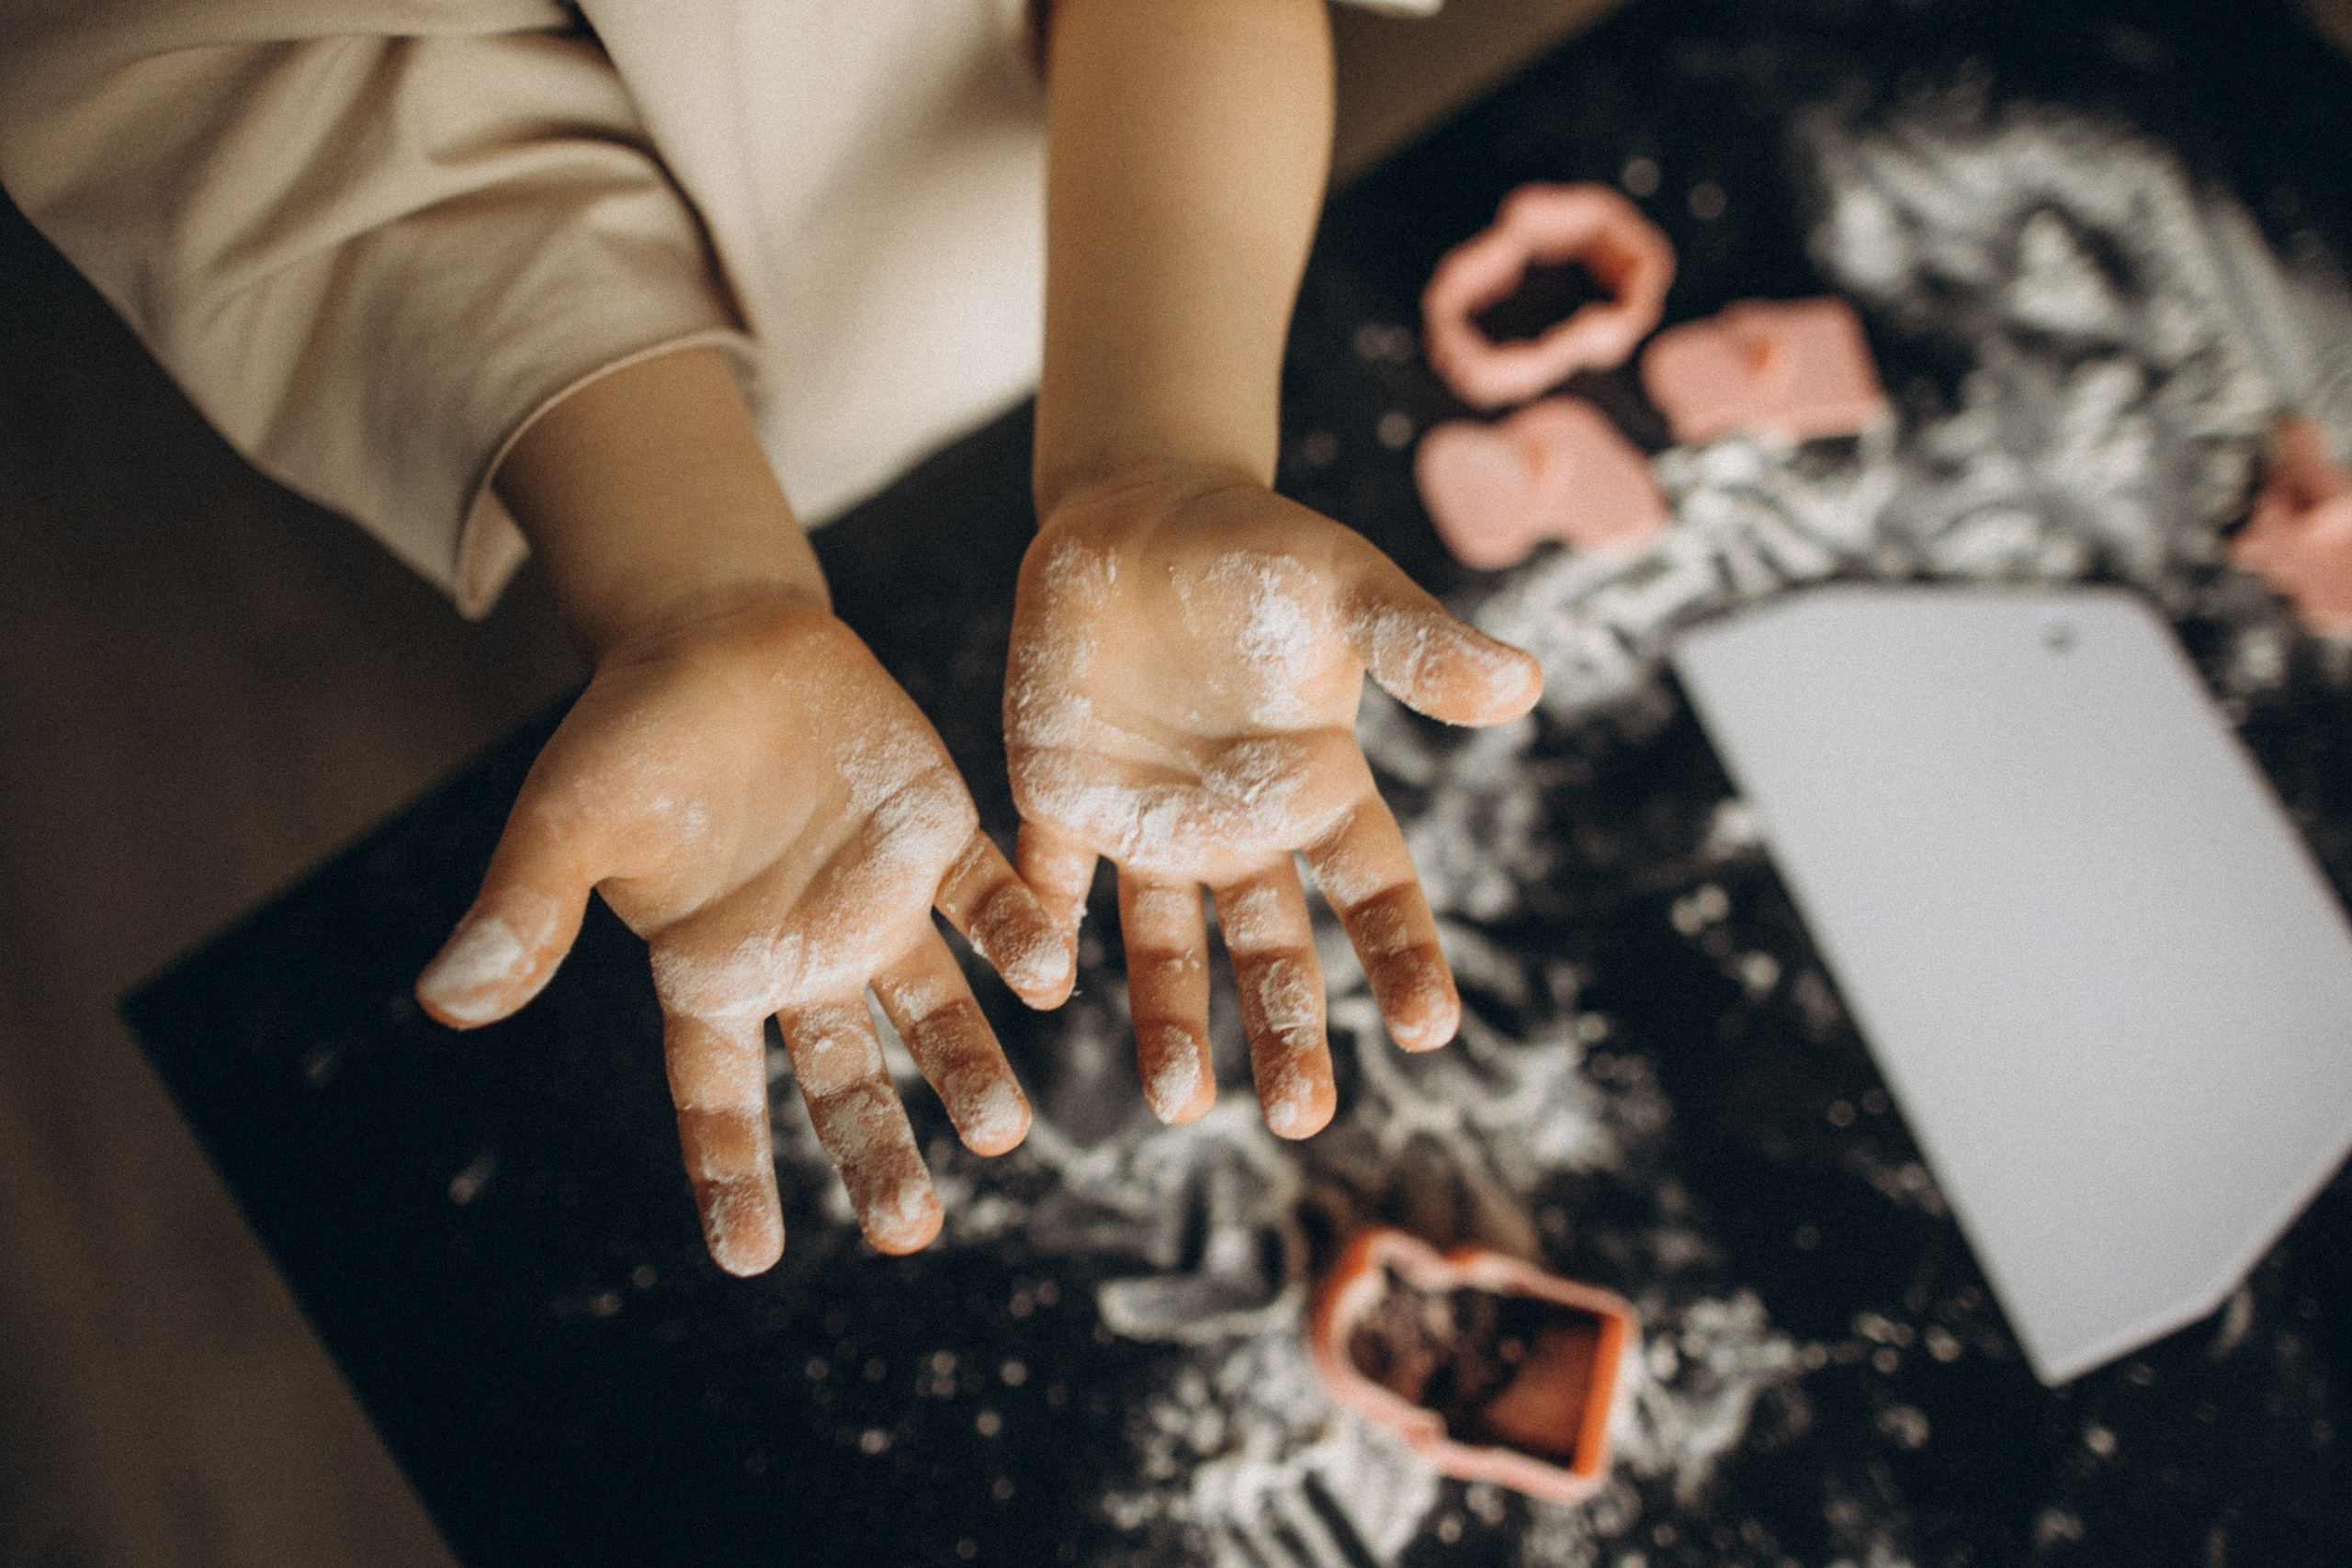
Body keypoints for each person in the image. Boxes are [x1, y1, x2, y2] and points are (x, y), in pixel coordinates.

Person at [0, 0, 1541, 1277]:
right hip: (644, 394)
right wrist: (694, 589)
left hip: (1130, 205)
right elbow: (295, 92)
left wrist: (1160, 447)